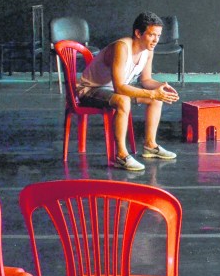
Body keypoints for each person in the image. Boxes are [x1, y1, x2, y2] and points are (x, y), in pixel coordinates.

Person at [77, 12, 180, 171]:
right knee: (123, 100)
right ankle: (121, 156)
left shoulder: (148, 50)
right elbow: (119, 88)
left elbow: (146, 80)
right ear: (138, 33)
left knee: (156, 99)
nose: (156, 40)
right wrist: (152, 93)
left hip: (112, 90)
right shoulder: (122, 47)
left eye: (158, 35)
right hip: (90, 90)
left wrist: (161, 87)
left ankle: (150, 145)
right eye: (151, 35)